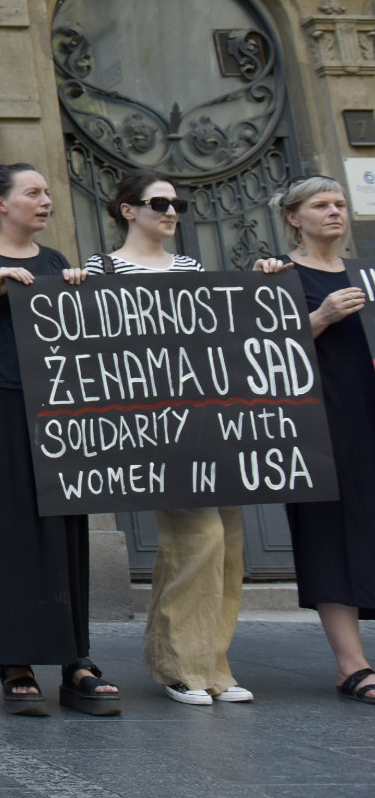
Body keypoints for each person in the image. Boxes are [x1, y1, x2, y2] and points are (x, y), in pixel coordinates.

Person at [0, 149, 119, 716]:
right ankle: (14, 662)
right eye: (33, 193)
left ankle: (75, 660)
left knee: (65, 528)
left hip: (56, 407)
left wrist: (81, 294)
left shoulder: (57, 258)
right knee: (7, 528)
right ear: (1, 202)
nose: (45, 201)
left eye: (47, 193)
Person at [84, 170, 260, 707]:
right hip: (152, 424)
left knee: (226, 538)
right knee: (198, 536)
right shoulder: (102, 269)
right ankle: (183, 665)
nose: (172, 212)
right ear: (128, 210)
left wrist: (263, 282)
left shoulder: (190, 269)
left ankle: (211, 664)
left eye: (177, 204)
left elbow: (216, 333)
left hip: (205, 416)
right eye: (159, 203)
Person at [265, 176, 375, 706]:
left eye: (340, 204)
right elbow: (261, 350)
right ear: (293, 217)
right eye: (321, 205)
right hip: (319, 424)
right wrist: (322, 317)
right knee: (330, 534)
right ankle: (352, 664)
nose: (335, 212)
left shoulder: (366, 274)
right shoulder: (276, 275)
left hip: (369, 414)